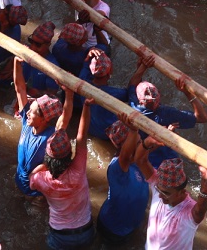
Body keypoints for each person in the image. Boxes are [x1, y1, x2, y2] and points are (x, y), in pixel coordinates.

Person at [30, 96, 94, 249]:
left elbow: (31, 178)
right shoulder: (78, 170)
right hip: (86, 230)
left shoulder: (41, 179)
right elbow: (81, 136)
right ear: (69, 154)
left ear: (48, 158)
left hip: (60, 235)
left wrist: (45, 165)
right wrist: (86, 106)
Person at [13, 59, 69, 197]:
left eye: (32, 112)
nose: (27, 113)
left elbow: (65, 119)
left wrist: (70, 94)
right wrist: (16, 63)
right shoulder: (27, 122)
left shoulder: (51, 137)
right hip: (19, 180)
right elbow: (20, 88)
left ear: (44, 119)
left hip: (35, 191)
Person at [133, 153, 207, 249]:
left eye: (166, 193)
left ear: (181, 192)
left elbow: (201, 210)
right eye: (158, 190)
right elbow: (140, 159)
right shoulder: (158, 187)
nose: (160, 195)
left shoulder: (187, 213)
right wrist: (147, 143)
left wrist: (206, 182)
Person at [131, 77, 207, 166]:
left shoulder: (132, 105)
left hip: (141, 164)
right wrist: (187, 93)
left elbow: (132, 85)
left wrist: (142, 67)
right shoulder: (165, 114)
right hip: (165, 163)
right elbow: (202, 118)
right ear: (159, 95)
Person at [96, 120, 150, 245]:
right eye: (138, 143)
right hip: (113, 230)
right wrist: (134, 131)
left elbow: (147, 149)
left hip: (129, 227)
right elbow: (125, 157)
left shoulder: (138, 161)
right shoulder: (116, 168)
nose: (141, 145)